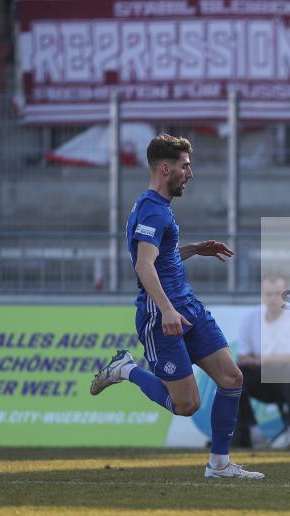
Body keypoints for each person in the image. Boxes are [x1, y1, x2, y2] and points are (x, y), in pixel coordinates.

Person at [90, 134, 263, 480]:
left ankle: (218, 465)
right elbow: (143, 266)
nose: (190, 173)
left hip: (189, 306)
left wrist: (195, 249)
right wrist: (167, 310)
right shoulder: (153, 211)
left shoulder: (156, 207)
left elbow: (160, 257)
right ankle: (125, 369)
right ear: (165, 168)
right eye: (185, 166)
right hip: (161, 314)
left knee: (232, 377)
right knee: (187, 405)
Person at [236, 273, 290, 449]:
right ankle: (253, 432)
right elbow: (243, 358)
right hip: (269, 381)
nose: (273, 299)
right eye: (269, 294)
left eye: (278, 294)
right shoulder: (250, 319)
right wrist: (274, 361)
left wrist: (263, 359)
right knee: (235, 376)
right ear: (262, 294)